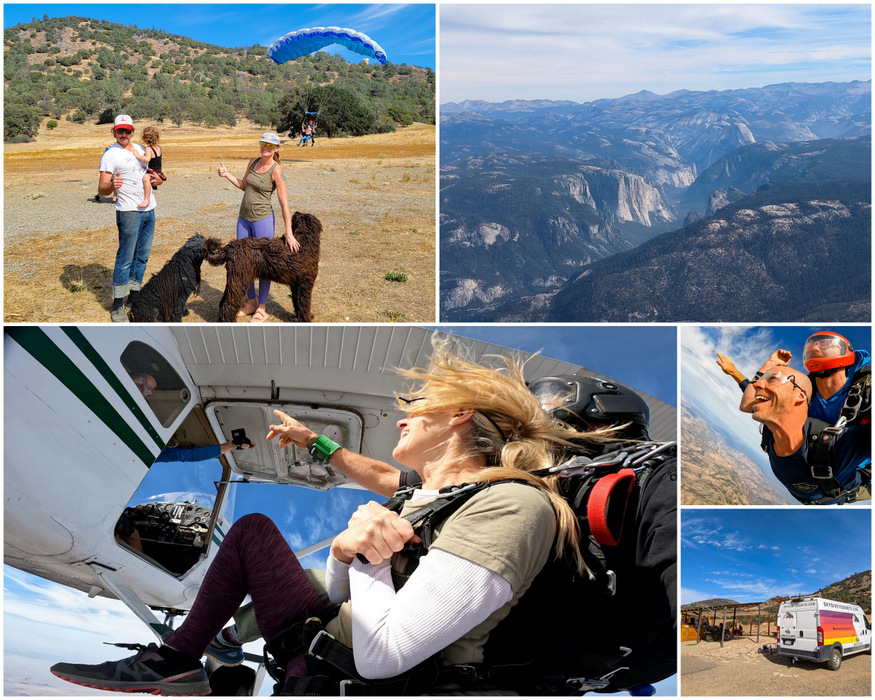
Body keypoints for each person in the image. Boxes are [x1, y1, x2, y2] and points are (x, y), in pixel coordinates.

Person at [51, 337, 609, 695]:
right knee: (253, 532)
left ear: (461, 415)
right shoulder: (425, 495)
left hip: (359, 671)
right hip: (322, 643)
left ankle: (204, 653)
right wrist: (345, 547)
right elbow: (355, 488)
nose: (402, 416)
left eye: (418, 405)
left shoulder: (510, 504)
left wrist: (365, 555)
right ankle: (178, 658)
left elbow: (384, 655)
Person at [747, 366, 868, 504]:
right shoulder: (771, 430)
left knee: (864, 484)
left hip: (843, 492)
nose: (756, 384)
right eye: (761, 380)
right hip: (810, 495)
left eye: (773, 379)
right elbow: (747, 401)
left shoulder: (836, 446)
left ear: (800, 395)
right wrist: (770, 363)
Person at [216, 133, 300, 323]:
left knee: (263, 265)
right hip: (243, 219)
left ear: (277, 149)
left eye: (270, 146)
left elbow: (284, 203)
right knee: (243, 263)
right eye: (263, 143)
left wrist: (289, 232)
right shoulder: (252, 162)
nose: (265, 148)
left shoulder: (276, 171)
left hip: (263, 220)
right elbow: (244, 185)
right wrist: (227, 174)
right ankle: (251, 302)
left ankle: (262, 308)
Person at [98, 115, 164, 322]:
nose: (124, 135)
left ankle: (133, 298)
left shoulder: (142, 149)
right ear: (114, 132)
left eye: (127, 131)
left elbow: (155, 172)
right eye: (120, 131)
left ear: (133, 131)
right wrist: (112, 186)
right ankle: (117, 305)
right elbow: (102, 188)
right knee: (125, 258)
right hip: (128, 212)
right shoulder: (110, 154)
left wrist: (158, 180)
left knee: (142, 256)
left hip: (149, 210)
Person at [130, 126, 165, 208]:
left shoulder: (148, 149)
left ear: (144, 138)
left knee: (145, 178)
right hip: (158, 171)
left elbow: (147, 159)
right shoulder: (158, 147)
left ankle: (147, 199)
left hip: (152, 171)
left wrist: (137, 155)